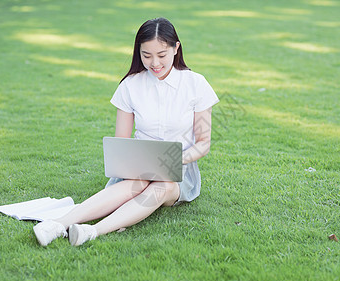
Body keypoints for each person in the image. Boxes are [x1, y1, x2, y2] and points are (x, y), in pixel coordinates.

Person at [33, 17, 219, 246]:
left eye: (161, 55)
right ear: (138, 52)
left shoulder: (196, 84)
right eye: (146, 55)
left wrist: (173, 160)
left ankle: (92, 231)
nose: (155, 63)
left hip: (180, 169)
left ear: (176, 48)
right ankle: (58, 224)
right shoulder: (130, 85)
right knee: (139, 183)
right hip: (138, 168)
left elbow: (203, 142)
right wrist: (139, 166)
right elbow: (121, 142)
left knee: (164, 185)